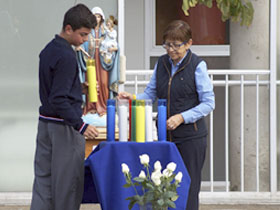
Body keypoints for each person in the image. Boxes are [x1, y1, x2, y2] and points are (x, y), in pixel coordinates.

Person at [118, 20, 215, 210]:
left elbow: (209, 103)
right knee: (161, 186)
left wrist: (182, 117)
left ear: (189, 44)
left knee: (188, 187)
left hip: (191, 137)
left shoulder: (197, 66)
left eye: (176, 45)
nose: (171, 50)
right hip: (164, 137)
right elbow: (151, 93)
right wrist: (133, 97)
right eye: (167, 45)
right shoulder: (161, 63)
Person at [30, 4, 99, 210]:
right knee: (67, 186)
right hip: (64, 128)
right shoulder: (67, 56)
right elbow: (60, 99)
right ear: (68, 29)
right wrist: (81, 126)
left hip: (45, 125)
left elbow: (53, 89)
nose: (85, 39)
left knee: (43, 183)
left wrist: (79, 88)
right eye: (83, 34)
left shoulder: (48, 50)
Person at [78, 6, 109, 116]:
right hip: (90, 59)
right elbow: (82, 44)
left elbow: (113, 44)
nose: (97, 19)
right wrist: (79, 50)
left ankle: (103, 106)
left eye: (99, 16)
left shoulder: (106, 31)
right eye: (95, 16)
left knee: (104, 83)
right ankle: (91, 107)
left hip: (102, 60)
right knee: (91, 81)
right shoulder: (88, 31)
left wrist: (111, 50)